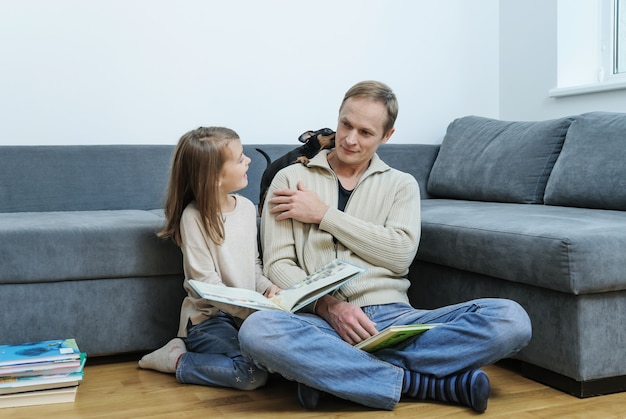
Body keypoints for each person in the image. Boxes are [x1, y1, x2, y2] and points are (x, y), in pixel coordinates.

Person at [238, 81, 532, 412]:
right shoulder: (290, 179)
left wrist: (324, 215)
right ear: (338, 117)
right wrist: (329, 307)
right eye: (346, 124)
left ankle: (334, 375)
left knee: (511, 320)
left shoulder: (401, 185)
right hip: (318, 320)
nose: (350, 139)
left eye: (365, 132)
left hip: (393, 319)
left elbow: (399, 254)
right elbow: (278, 264)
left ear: (386, 136)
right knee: (259, 330)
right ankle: (426, 384)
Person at [138, 126, 280, 390]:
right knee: (252, 374)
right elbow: (209, 286)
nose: (248, 160)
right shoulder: (193, 218)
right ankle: (177, 358)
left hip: (247, 315)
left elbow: (253, 266)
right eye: (239, 159)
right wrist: (256, 311)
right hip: (209, 319)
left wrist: (268, 289)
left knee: (282, 361)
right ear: (215, 177)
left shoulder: (248, 209)